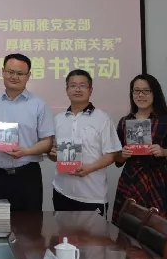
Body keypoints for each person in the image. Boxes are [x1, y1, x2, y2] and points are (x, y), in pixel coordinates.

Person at [112, 74, 167, 251]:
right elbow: (117, 160)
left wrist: (165, 152)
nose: (141, 95)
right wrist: (123, 154)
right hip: (131, 180)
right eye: (136, 91)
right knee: (129, 235)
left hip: (158, 181)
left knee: (160, 235)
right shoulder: (125, 122)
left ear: (155, 93)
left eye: (146, 91)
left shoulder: (166, 121)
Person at [0, 53, 54, 212]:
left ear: (28, 76)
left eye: (20, 73)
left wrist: (26, 151)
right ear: (3, 72)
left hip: (26, 175)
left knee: (29, 224)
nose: (14, 77)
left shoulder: (39, 104)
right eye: (10, 72)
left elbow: (47, 142)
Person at [50, 69, 121, 217]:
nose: (77, 89)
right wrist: (53, 154)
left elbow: (111, 154)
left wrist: (89, 168)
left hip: (92, 195)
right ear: (67, 90)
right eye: (73, 86)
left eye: (82, 86)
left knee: (93, 233)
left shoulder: (102, 118)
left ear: (90, 90)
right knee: (62, 232)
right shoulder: (58, 119)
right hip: (62, 191)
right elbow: (53, 153)